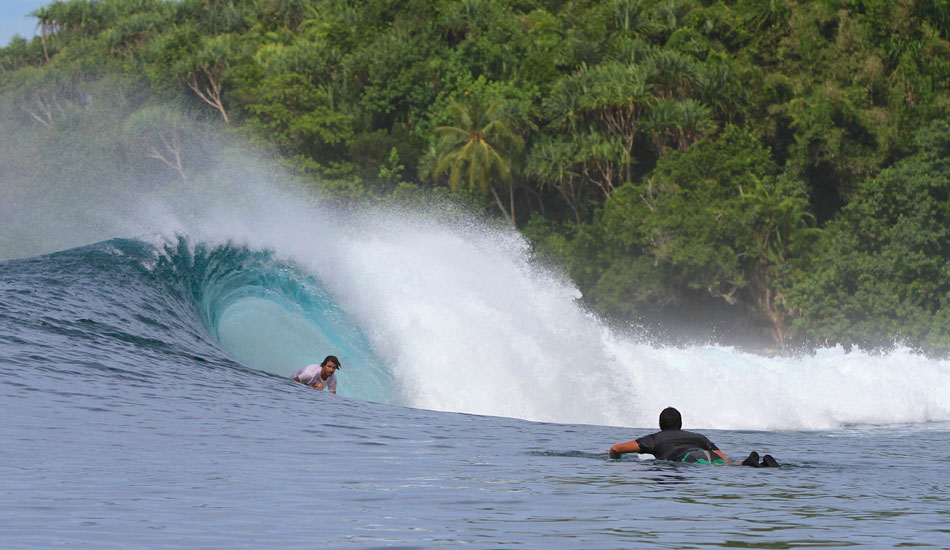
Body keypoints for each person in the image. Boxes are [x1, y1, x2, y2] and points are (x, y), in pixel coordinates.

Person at [607, 407, 779, 466]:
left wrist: (614, 457)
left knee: (709, 465)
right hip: (706, 454)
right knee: (725, 465)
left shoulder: (654, 438)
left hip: (688, 459)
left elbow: (616, 448)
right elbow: (724, 459)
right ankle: (752, 463)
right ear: (680, 425)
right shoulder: (698, 436)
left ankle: (751, 464)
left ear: (660, 425)